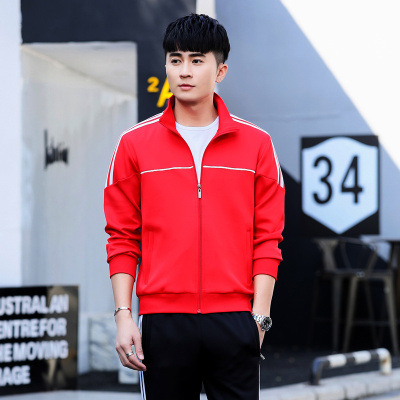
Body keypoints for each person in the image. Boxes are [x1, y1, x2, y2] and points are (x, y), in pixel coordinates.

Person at [104, 13, 285, 400]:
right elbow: (122, 238)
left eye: (197, 60)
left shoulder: (257, 144)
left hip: (235, 321)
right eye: (176, 59)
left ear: (220, 71)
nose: (184, 71)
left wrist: (259, 319)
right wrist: (124, 316)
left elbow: (268, 239)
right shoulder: (134, 144)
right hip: (162, 322)